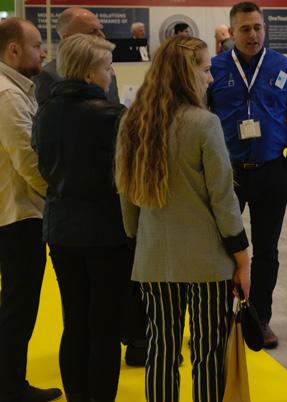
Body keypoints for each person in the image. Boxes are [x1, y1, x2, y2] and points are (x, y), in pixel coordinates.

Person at [115, 35, 251, 402]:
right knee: (208, 353)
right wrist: (242, 257)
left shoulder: (132, 121)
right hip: (207, 262)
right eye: (205, 69)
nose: (211, 78)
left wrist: (137, 240)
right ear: (186, 72)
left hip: (153, 258)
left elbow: (127, 197)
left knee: (161, 349)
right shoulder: (205, 124)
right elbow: (224, 200)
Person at [31, 33, 132, 402]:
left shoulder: (44, 112)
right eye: (107, 67)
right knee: (104, 327)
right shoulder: (112, 117)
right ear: (90, 73)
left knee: (74, 321)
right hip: (106, 233)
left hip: (60, 229)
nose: (111, 74)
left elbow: (42, 166)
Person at [207, 1, 287, 349]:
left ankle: (260, 319)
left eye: (258, 27)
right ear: (232, 32)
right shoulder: (215, 69)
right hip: (227, 175)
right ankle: (219, 319)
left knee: (266, 250)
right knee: (222, 249)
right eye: (245, 29)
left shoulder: (284, 68)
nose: (253, 35)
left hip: (271, 173)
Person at [0, 17, 62, 402]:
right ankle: (9, 386)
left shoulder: (16, 89)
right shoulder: (8, 96)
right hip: (19, 216)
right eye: (37, 45)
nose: (43, 53)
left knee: (17, 304)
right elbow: (28, 161)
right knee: (19, 306)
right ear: (14, 50)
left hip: (19, 211)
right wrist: (61, 196)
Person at [33, 7, 119, 105]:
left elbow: (115, 107)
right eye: (92, 31)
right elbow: (48, 114)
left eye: (100, 29)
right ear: (67, 38)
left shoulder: (107, 70)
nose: (102, 36)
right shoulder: (48, 76)